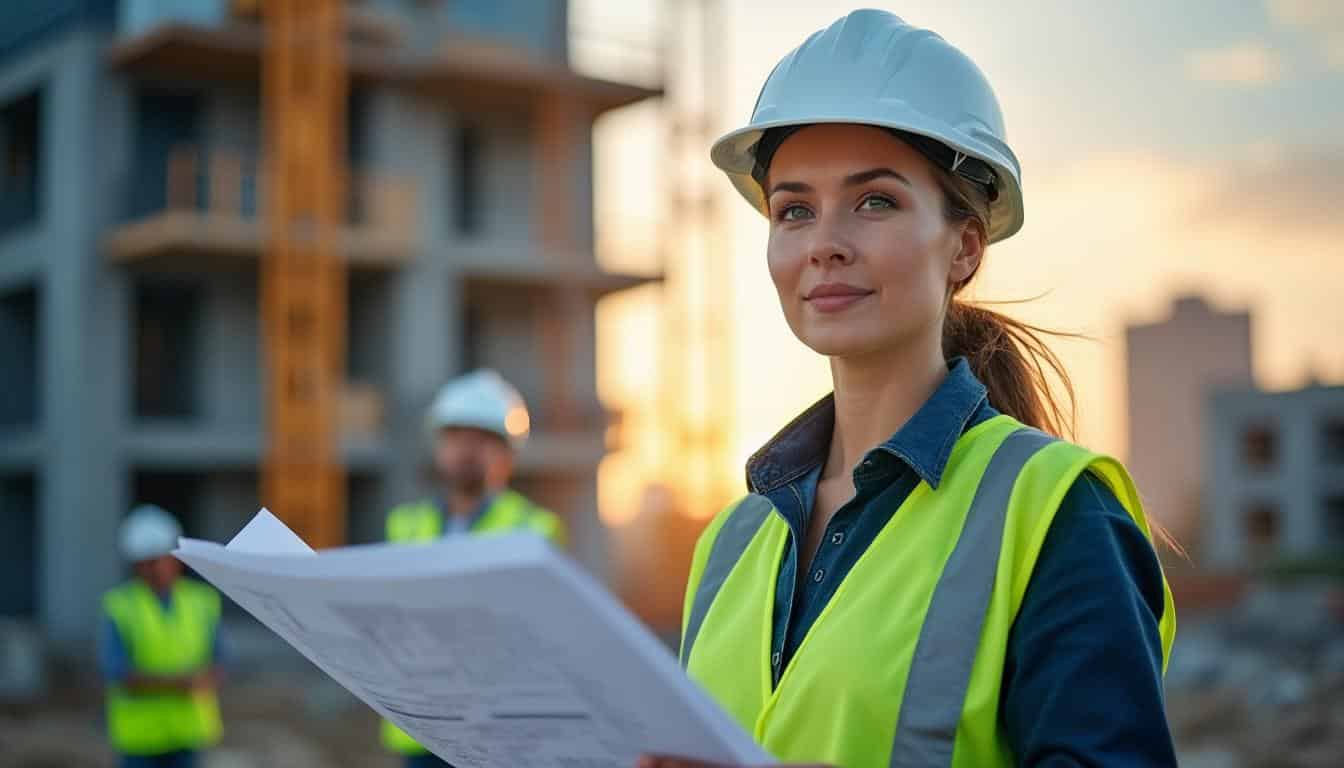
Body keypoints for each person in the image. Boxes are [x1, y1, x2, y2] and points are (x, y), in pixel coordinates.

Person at [639, 10, 1178, 768]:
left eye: (874, 201)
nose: (824, 243)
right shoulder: (731, 545)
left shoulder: (1056, 511)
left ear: (963, 247)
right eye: (794, 210)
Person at [380, 369, 567, 767]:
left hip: (497, 735)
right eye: (456, 436)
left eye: (482, 439)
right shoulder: (405, 524)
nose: (466, 450)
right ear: (438, 445)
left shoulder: (535, 530)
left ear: (508, 453)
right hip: (419, 729)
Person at [100, 505, 226, 768]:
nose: (152, 570)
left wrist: (207, 678)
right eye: (143, 563)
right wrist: (179, 684)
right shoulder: (119, 605)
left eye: (156, 560)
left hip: (189, 733)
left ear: (175, 558)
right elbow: (117, 671)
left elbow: (220, 661)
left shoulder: (203, 601)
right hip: (139, 738)